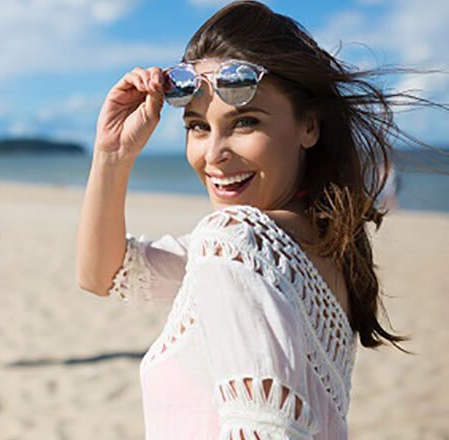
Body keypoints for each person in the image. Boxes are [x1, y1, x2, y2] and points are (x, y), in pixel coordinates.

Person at [76, 1, 424, 438]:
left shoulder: (236, 241)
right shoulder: (320, 242)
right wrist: (112, 156)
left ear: (308, 126)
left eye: (244, 122)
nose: (214, 154)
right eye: (198, 126)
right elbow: (104, 274)